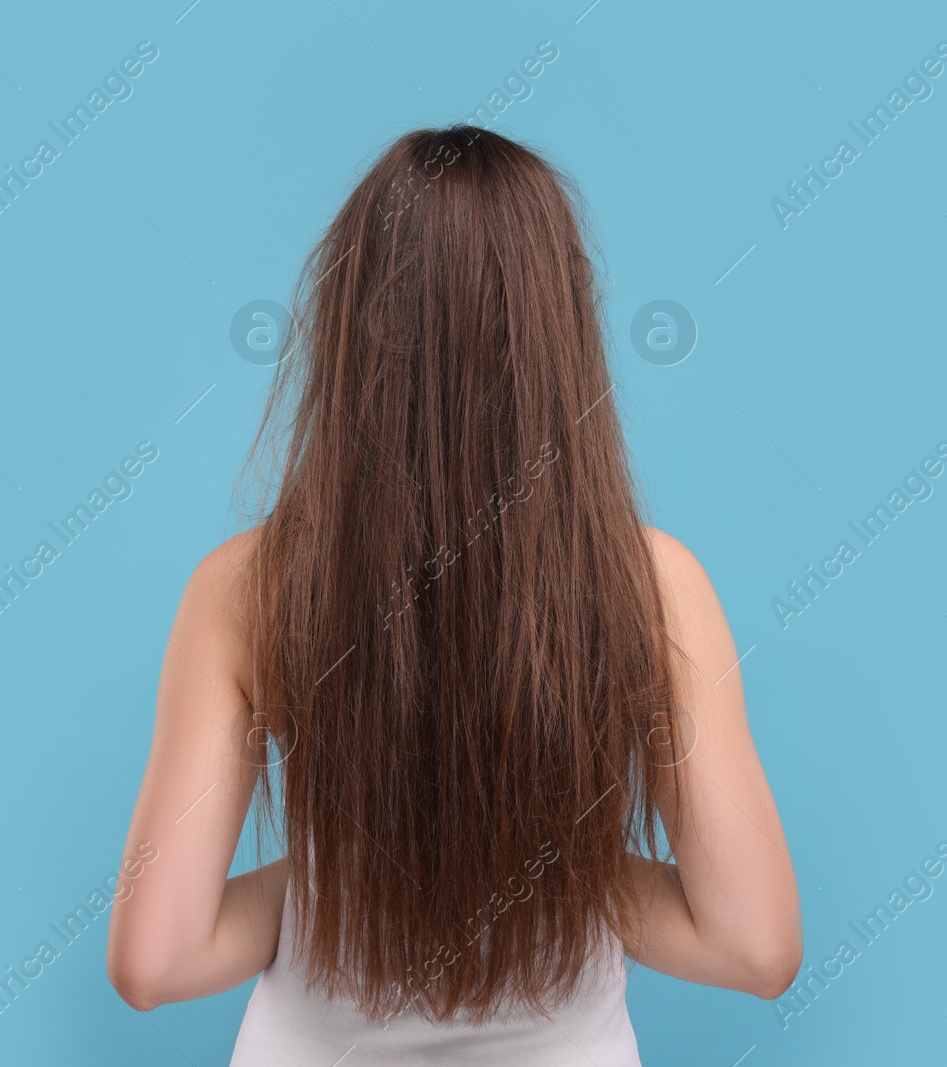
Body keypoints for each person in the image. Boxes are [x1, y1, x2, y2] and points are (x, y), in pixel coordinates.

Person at [105, 126, 803, 1065]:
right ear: (563, 331)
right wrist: (540, 878)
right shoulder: (655, 589)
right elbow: (753, 946)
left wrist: (334, 887)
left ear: (349, 322)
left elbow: (155, 961)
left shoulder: (247, 591)